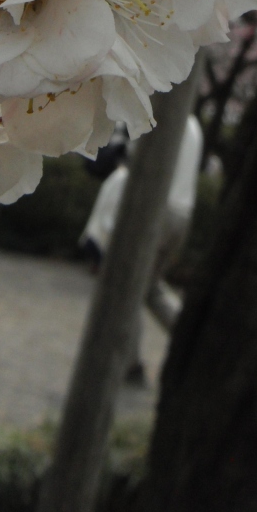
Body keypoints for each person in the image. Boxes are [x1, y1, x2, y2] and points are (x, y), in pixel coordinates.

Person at [80, 114, 204, 384]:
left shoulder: (159, 117)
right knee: (150, 286)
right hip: (182, 213)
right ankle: (194, 339)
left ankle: (130, 363)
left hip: (158, 207)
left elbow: (126, 158)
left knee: (129, 284)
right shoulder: (193, 125)